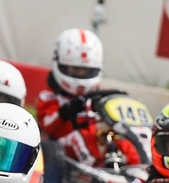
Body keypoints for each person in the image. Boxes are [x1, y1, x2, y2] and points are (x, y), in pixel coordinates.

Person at [36, 27, 141, 167]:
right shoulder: (49, 98)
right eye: (75, 69)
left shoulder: (97, 100)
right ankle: (98, 171)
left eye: (85, 70)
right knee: (80, 137)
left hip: (97, 142)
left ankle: (140, 168)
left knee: (124, 142)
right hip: (62, 150)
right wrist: (67, 111)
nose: (81, 73)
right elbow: (49, 127)